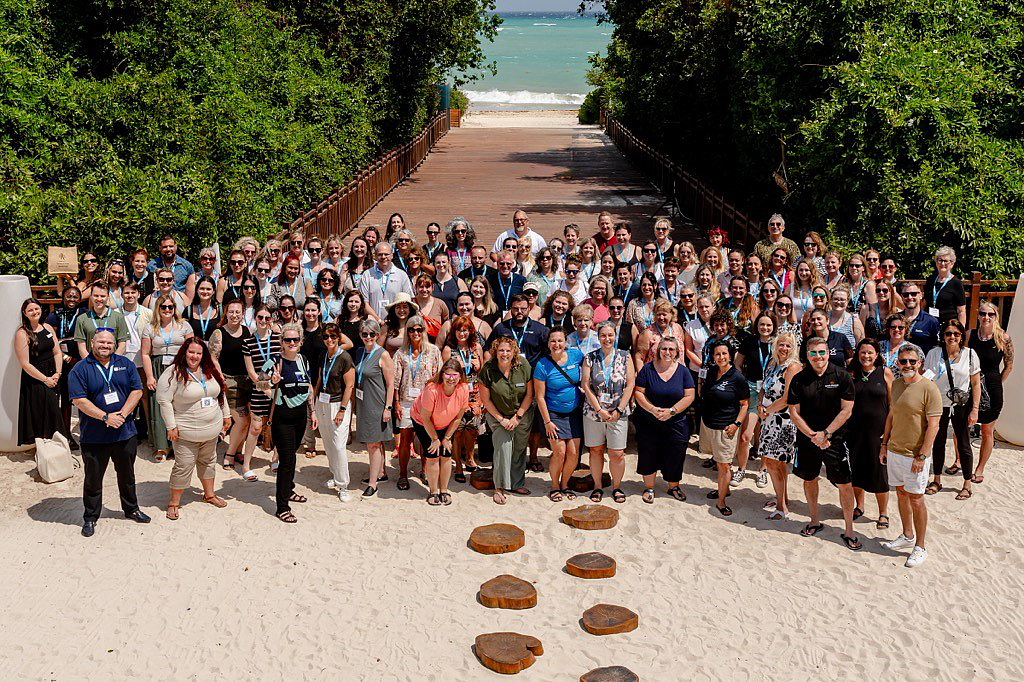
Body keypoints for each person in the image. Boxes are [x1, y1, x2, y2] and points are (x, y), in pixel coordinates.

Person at [68, 330, 149, 537]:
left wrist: (122, 413)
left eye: (109, 342)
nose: (105, 345)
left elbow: (137, 390)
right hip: (95, 437)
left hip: (125, 432)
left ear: (114, 345)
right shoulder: (80, 369)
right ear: (92, 342)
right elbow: (79, 401)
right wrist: (105, 417)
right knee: (93, 479)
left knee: (127, 475)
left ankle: (131, 509)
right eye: (101, 342)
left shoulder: (126, 364)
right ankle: (91, 517)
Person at [788, 337, 860, 549]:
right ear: (807, 355)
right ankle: (814, 520)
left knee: (845, 485)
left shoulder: (842, 375)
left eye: (821, 352)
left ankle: (848, 530)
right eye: (813, 353)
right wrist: (813, 435)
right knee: (810, 479)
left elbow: (847, 410)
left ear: (828, 353)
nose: (818, 357)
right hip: (807, 439)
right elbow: (794, 412)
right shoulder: (799, 379)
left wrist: (826, 434)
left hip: (835, 440)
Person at [879, 343, 942, 567]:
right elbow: (891, 416)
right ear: (897, 363)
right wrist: (884, 444)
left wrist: (922, 456)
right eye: (903, 361)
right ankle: (907, 536)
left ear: (920, 364)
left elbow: (933, 426)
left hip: (916, 455)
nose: (907, 365)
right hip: (895, 450)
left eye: (912, 361)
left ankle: (920, 546)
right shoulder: (895, 385)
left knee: (916, 499)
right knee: (902, 494)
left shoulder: (929, 388)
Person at [156, 337, 232, 520]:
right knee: (183, 466)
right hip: (186, 432)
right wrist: (170, 426)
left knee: (208, 461)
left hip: (212, 431)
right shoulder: (173, 373)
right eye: (191, 352)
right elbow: (163, 401)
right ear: (184, 352)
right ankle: (174, 503)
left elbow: (220, 394)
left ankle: (209, 495)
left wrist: (227, 415)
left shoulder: (210, 370)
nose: (194, 356)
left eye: (199, 353)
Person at [632, 336, 696, 503]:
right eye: (664, 349)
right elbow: (639, 392)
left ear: (676, 353)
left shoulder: (683, 371)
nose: (667, 352)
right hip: (649, 420)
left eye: (671, 349)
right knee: (648, 453)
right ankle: (649, 488)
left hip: (675, 421)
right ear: (658, 351)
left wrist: (671, 411)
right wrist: (653, 409)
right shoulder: (647, 370)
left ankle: (673, 487)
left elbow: (689, 395)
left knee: (676, 453)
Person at [924, 319, 981, 500]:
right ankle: (937, 479)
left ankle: (967, 483)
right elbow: (926, 381)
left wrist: (975, 409)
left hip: (961, 406)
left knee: (963, 443)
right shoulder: (933, 354)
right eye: (948, 333)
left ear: (962, 336)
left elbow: (976, 384)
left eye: (956, 334)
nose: (952, 337)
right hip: (937, 405)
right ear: (943, 335)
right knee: (938, 442)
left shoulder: (970, 355)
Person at [581, 322, 635, 503]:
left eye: (610, 335)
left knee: (617, 453)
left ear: (615, 336)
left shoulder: (625, 356)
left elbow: (630, 385)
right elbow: (586, 385)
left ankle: (616, 487)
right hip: (594, 413)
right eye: (603, 335)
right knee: (596, 450)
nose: (607, 339)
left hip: (618, 413)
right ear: (598, 337)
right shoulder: (590, 358)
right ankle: (597, 486)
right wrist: (599, 409)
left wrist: (619, 409)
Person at [266, 323, 315, 523]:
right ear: (281, 342)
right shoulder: (274, 362)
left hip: (301, 415)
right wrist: (271, 383)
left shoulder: (303, 360)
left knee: (292, 456)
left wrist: (313, 412)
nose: (292, 343)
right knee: (286, 461)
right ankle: (282, 507)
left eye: (295, 340)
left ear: (300, 342)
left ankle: (289, 489)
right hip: (282, 416)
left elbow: (309, 387)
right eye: (288, 340)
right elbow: (259, 383)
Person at [479, 337, 535, 504]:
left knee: (518, 449)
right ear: (496, 352)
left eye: (508, 351)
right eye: (501, 350)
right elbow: (486, 400)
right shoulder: (488, 369)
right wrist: (502, 419)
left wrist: (517, 417)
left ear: (513, 352)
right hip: (498, 415)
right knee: (503, 448)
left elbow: (529, 395)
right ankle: (499, 487)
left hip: (521, 414)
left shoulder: (523, 365)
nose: (504, 354)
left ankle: (516, 483)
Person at [533, 328, 584, 502]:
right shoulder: (542, 365)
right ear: (548, 344)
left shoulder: (576, 356)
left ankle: (565, 484)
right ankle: (554, 485)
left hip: (574, 413)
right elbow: (539, 396)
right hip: (552, 413)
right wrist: (547, 422)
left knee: (574, 453)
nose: (557, 344)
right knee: (560, 451)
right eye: (553, 341)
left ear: (566, 342)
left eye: (560, 340)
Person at [141, 295, 194, 461]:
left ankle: (180, 445)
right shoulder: (150, 328)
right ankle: (162, 447)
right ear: (158, 308)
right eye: (163, 307)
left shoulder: (184, 325)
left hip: (179, 367)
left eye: (170, 307)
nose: (167, 310)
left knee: (180, 405)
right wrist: (149, 376)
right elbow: (145, 354)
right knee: (159, 406)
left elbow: (191, 349)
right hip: (158, 367)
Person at [393, 315, 443, 489]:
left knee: (426, 440)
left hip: (427, 402)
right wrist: (396, 403)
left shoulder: (433, 351)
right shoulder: (401, 353)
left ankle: (424, 471)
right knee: (405, 439)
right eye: (411, 329)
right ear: (407, 332)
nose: (415, 332)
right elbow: (395, 381)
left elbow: (439, 377)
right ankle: (403, 475)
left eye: (419, 329)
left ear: (424, 331)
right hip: (406, 402)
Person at [410, 359, 470, 505]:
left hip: (447, 423)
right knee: (432, 455)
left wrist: (447, 438)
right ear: (442, 375)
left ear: (460, 376)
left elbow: (458, 417)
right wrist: (435, 439)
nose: (451, 378)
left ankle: (444, 490)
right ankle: (433, 491)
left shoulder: (463, 389)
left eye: (454, 375)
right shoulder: (432, 389)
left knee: (446, 454)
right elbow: (425, 417)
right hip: (424, 422)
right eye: (448, 375)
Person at [700, 341, 748, 515]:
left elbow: (744, 405)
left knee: (724, 466)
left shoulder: (737, 377)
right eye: (717, 354)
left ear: (730, 355)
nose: (721, 357)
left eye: (724, 354)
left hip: (726, 427)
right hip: (710, 424)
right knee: (720, 462)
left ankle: (721, 502)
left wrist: (736, 424)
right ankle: (724, 489)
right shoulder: (712, 372)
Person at [757, 331, 801, 520]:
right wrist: (760, 405)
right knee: (776, 463)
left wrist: (768, 410)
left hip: (782, 421)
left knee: (775, 463)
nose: (784, 348)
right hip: (768, 419)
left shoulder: (793, 367)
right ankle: (782, 499)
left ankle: (782, 509)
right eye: (781, 344)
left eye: (788, 346)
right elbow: (763, 388)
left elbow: (787, 398)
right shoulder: (773, 363)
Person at [849, 338, 893, 528]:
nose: (866, 356)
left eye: (870, 353)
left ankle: (883, 513)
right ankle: (859, 506)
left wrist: (889, 432)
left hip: (878, 432)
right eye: (862, 352)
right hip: (855, 431)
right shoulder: (851, 374)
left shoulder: (885, 373)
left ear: (877, 355)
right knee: (856, 470)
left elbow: (892, 405)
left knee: (879, 472)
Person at [969, 302, 1014, 484]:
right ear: (978, 315)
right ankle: (958, 460)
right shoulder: (970, 335)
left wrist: (996, 383)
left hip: (993, 387)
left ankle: (980, 468)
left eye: (991, 314)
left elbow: (1009, 366)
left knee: (987, 431)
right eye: (982, 313)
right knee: (961, 429)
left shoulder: (1003, 338)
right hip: (970, 386)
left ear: (996, 316)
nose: (986, 317)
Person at [312, 323, 356, 501]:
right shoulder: (324, 355)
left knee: (338, 445)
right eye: (326, 337)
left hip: (338, 404)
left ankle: (344, 484)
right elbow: (320, 379)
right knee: (328, 443)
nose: (329, 340)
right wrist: (314, 403)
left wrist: (343, 410)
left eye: (333, 336)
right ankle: (335, 475)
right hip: (322, 402)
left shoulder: (345, 357)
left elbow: (350, 385)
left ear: (339, 337)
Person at [353, 319, 395, 497]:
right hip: (364, 402)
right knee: (374, 441)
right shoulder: (360, 352)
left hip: (377, 404)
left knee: (373, 444)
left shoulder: (383, 354)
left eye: (372, 334)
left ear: (378, 335)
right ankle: (380, 473)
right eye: (364, 334)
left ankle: (372, 483)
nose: (368, 337)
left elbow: (391, 384)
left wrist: (388, 408)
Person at [442, 316, 487, 481]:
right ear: (454, 332)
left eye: (465, 330)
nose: (462, 333)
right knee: (457, 431)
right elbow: (445, 375)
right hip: (456, 394)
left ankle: (469, 458)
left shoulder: (477, 349)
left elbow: (480, 373)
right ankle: (458, 465)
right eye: (459, 330)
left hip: (475, 394)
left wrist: (483, 397)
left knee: (472, 430)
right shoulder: (449, 350)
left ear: (470, 331)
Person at [733, 313, 775, 489]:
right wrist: (742, 381)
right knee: (745, 436)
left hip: (770, 392)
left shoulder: (777, 343)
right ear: (757, 325)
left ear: (774, 326)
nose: (765, 328)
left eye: (768, 325)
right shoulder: (749, 341)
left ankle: (763, 471)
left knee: (765, 435)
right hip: (751, 388)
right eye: (762, 325)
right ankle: (741, 469)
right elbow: (737, 364)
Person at [208, 300, 251, 470]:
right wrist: (220, 378)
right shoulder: (219, 333)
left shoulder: (246, 331)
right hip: (229, 381)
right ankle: (229, 454)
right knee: (241, 420)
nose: (234, 315)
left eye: (238, 312)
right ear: (226, 313)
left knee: (246, 421)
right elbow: (212, 357)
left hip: (246, 382)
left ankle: (239, 450)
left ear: (242, 314)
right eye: (231, 312)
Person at [16, 298, 65, 445]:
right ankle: (46, 450)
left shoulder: (48, 328)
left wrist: (58, 373)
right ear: (25, 313)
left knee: (53, 413)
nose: (34, 312)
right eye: (30, 310)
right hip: (36, 380)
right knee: (42, 415)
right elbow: (25, 364)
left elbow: (57, 352)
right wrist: (45, 379)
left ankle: (54, 448)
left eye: (36, 308)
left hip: (53, 376)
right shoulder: (22, 334)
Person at [241, 305, 281, 481]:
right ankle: (246, 466)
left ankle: (275, 459)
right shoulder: (248, 342)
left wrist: (273, 384)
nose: (264, 321)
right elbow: (251, 371)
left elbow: (281, 363)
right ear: (255, 319)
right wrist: (265, 387)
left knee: (278, 426)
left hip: (278, 387)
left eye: (267, 318)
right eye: (260, 317)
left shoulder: (278, 339)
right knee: (256, 428)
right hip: (259, 388)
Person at [48, 286, 84, 446]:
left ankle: (71, 434)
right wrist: (66, 358)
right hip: (58, 360)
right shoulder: (54, 315)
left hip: (79, 360)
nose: (72, 300)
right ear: (63, 297)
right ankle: (60, 434)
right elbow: (52, 341)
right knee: (59, 397)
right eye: (69, 296)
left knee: (72, 397)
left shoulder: (83, 313)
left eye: (75, 297)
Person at [358, 242, 414, 321]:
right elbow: (364, 302)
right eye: (380, 254)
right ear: (375, 256)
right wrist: (378, 320)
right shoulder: (367, 275)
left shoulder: (402, 275)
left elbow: (408, 300)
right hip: (372, 324)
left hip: (396, 322)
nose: (383, 257)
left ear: (392, 255)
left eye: (386, 254)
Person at [489, 295, 549, 366]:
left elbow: (548, 354)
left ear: (529, 309)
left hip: (532, 373)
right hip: (506, 371)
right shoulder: (501, 328)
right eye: (516, 309)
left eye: (523, 309)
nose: (519, 312)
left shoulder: (540, 330)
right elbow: (488, 350)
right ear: (510, 309)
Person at [74, 282, 129, 358]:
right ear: (91, 297)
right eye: (96, 296)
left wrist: (112, 363)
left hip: (112, 364)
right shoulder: (82, 319)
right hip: (91, 364)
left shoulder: (118, 317)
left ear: (108, 297)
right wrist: (90, 364)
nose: (99, 299)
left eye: (102, 296)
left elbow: (122, 344)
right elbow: (81, 347)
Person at [634, 299, 685, 369]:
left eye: (664, 314)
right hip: (654, 374)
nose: (661, 318)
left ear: (671, 314)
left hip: (677, 373)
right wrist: (642, 377)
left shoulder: (677, 328)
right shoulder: (648, 333)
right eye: (658, 314)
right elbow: (639, 357)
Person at [924, 246, 967, 326]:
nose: (942, 264)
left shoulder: (956, 283)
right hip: (929, 323)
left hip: (948, 326)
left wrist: (961, 331)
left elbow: (961, 311)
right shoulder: (930, 280)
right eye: (940, 260)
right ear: (936, 262)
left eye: (946, 261)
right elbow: (924, 303)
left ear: (952, 264)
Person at [147, 234, 195, 300]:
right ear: (160, 248)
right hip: (157, 304)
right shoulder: (151, 266)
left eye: (171, 246)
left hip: (179, 305)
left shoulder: (187, 266)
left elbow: (190, 295)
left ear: (176, 247)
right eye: (165, 247)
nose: (168, 249)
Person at [899, 281, 940, 354]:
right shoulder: (895, 319)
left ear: (921, 295)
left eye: (913, 294)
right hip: (899, 363)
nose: (910, 297)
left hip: (923, 364)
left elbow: (936, 347)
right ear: (901, 297)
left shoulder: (931, 321)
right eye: (906, 295)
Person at [413, 273, 449, 341]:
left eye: (427, 287)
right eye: (421, 286)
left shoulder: (440, 304)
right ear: (416, 287)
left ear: (433, 287)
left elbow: (446, 325)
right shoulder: (411, 304)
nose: (424, 290)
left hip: (435, 346)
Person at [432, 251, 467, 316]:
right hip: (434, 322)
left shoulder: (458, 282)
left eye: (444, 262)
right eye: (438, 262)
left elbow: (466, 303)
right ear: (434, 264)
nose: (441, 265)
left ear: (449, 263)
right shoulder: (430, 283)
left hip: (454, 322)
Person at [185, 276, 219, 342]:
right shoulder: (188, 311)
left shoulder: (220, 311)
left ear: (214, 291)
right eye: (202, 288)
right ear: (197, 290)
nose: (205, 291)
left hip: (215, 350)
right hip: (195, 351)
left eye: (208, 289)